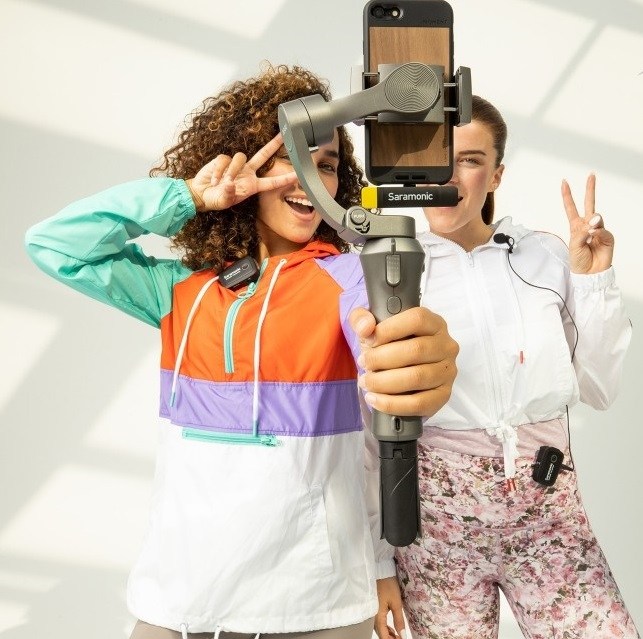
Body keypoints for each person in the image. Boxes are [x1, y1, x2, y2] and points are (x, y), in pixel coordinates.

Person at [24, 64, 458, 639]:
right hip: (182, 599)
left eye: (328, 165)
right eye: (292, 158)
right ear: (244, 164)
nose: (312, 179)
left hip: (314, 605)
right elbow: (54, 245)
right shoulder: (179, 290)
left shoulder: (349, 277)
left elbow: (388, 343)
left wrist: (414, 363)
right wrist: (188, 197)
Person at [373, 95, 639, 639]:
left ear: (495, 175)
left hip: (548, 507)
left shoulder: (545, 256)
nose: (449, 175)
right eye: (436, 160)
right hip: (437, 524)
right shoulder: (391, 268)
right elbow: (369, 423)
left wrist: (593, 280)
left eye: (469, 160)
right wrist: (379, 564)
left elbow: (598, 388)